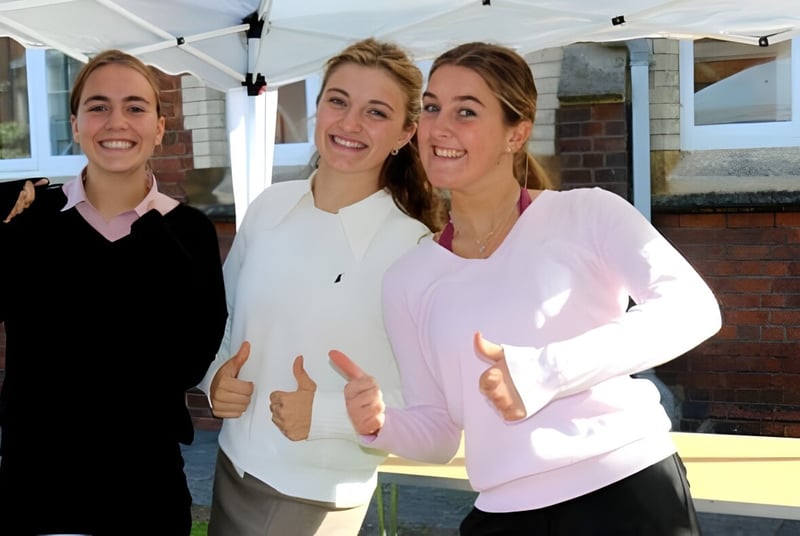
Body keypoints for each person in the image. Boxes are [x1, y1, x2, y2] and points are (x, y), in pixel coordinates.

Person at [332, 41, 722, 536]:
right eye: (431, 108)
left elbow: (693, 308)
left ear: (516, 133)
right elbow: (437, 433)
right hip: (504, 513)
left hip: (627, 493)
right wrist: (380, 422)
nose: (440, 127)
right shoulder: (408, 278)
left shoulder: (587, 213)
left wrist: (546, 370)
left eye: (466, 111)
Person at [196, 37, 445, 536]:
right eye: (338, 101)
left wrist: (325, 415)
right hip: (233, 467)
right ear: (317, 108)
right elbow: (222, 321)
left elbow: (432, 410)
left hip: (315, 494)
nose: (350, 124)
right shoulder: (268, 207)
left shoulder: (414, 248)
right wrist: (214, 380)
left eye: (376, 112)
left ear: (405, 132)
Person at [0, 49, 227, 536]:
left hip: (145, 497)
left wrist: (152, 242)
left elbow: (189, 362)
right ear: (76, 124)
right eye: (98, 106)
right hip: (37, 497)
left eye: (135, 107)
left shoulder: (188, 235)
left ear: (160, 127)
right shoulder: (28, 223)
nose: (116, 121)